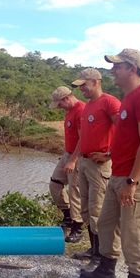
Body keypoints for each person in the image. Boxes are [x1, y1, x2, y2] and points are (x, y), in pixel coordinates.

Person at [80, 49, 140, 278]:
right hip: (118, 173)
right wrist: (110, 157)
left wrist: (132, 181)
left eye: (117, 66)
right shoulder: (128, 98)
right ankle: (106, 270)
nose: (113, 71)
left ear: (132, 68)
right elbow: (126, 138)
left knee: (133, 229)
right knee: (106, 223)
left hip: (134, 177)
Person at [70, 68, 121, 263]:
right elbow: (84, 135)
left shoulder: (109, 102)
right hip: (84, 162)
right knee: (85, 208)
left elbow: (124, 130)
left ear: (96, 81)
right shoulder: (89, 105)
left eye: (84, 84)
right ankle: (93, 250)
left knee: (97, 210)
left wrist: (109, 155)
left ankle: (101, 256)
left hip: (99, 165)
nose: (81, 89)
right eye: (80, 85)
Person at [48, 86, 85, 243]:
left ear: (66, 99)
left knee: (74, 191)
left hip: (77, 157)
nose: (59, 108)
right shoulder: (69, 111)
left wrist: (73, 160)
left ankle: (78, 227)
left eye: (60, 104)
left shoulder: (81, 110)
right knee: (55, 183)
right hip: (67, 154)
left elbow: (83, 139)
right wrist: (66, 156)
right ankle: (68, 215)